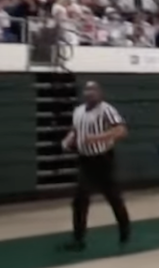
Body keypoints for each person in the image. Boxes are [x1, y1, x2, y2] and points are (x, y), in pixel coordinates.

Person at [61, 81, 130, 251]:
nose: (90, 93)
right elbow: (75, 130)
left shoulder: (106, 109)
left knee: (113, 198)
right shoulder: (78, 111)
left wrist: (98, 138)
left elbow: (121, 130)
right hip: (85, 161)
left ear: (100, 93)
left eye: (93, 90)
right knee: (80, 200)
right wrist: (68, 139)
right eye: (87, 90)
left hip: (103, 160)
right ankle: (78, 239)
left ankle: (125, 229)